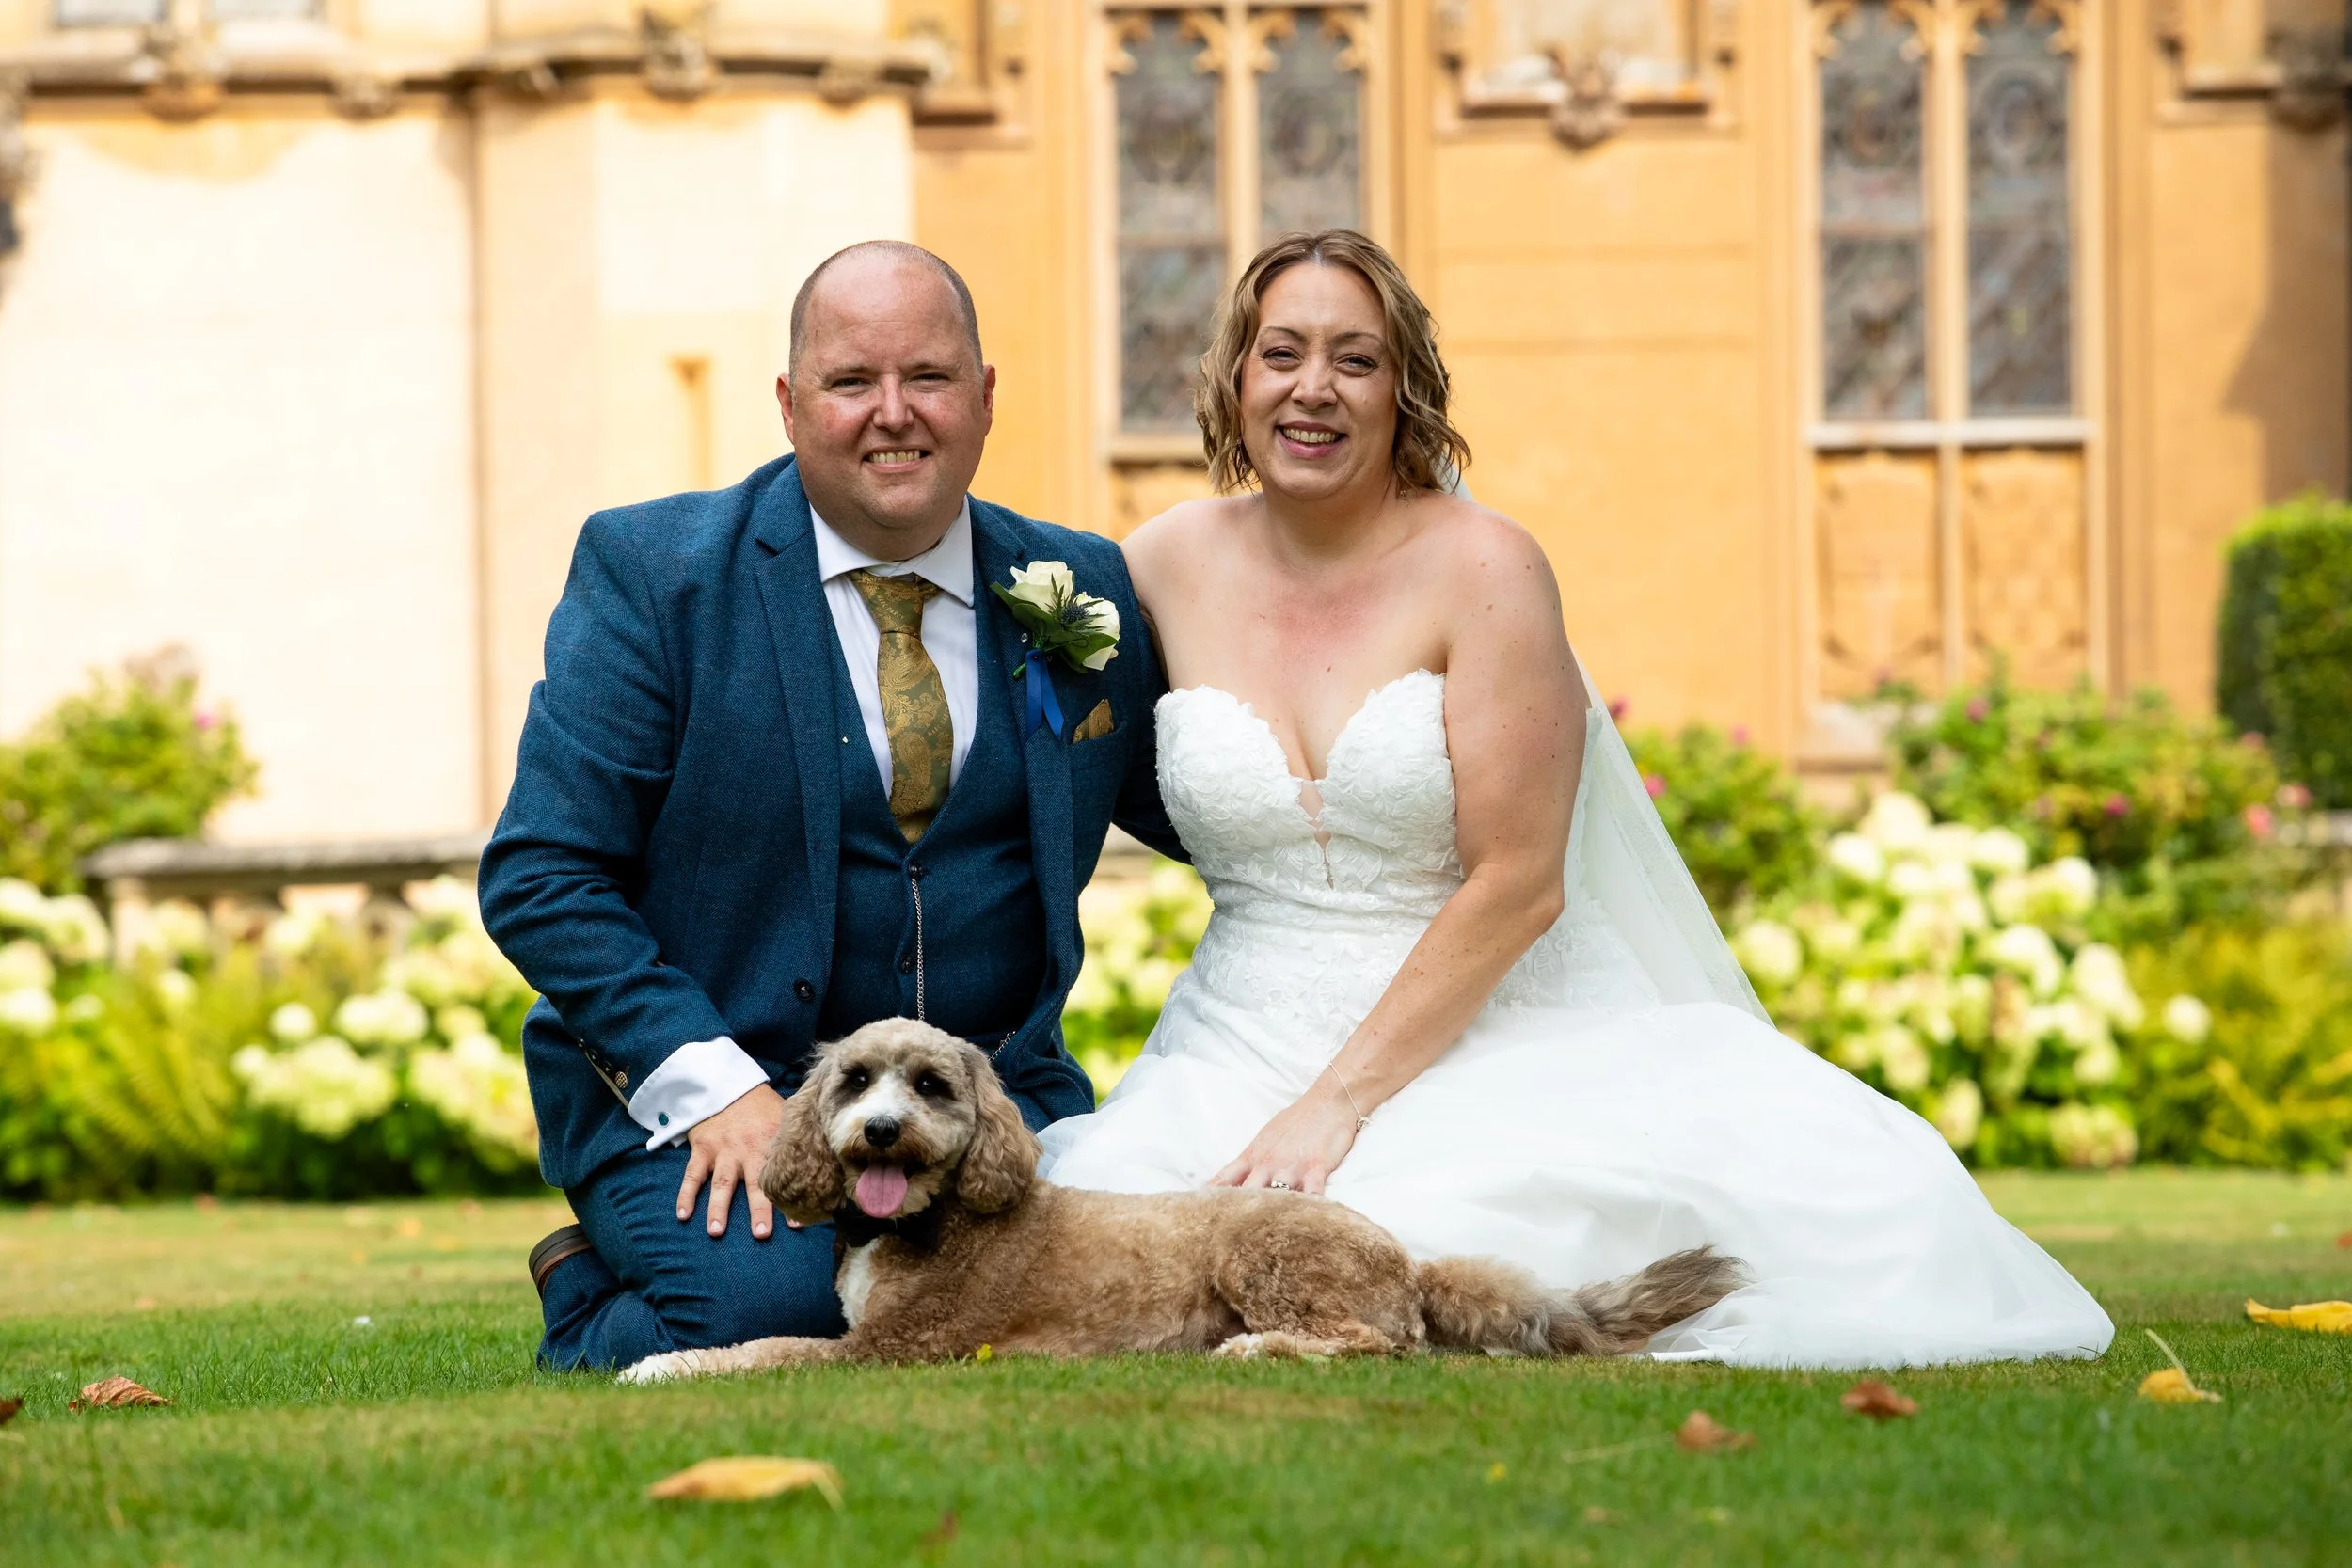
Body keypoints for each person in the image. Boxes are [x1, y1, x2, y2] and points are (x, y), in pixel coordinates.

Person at [1039, 230, 2114, 1368]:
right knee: (1102, 1255)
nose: (1314, 388)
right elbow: (1058, 757)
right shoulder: (1152, 565)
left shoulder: (1487, 568)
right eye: (1282, 352)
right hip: (1228, 1040)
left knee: (1460, 1232)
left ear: (1403, 388)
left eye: (1354, 359)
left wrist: (1333, 1106)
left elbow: (1518, 881)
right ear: (1234, 378)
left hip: (1481, 1027)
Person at [481, 241, 1184, 1370]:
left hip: (991, 1105)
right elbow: (541, 874)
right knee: (781, 1313)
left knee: (1106, 1299)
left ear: (986, 396)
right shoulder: (655, 574)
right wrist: (713, 1086)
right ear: (790, 403)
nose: (892, 414)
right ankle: (588, 1292)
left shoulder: (1075, 586)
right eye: (852, 382)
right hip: (733, 1092)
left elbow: (1191, 798)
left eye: (930, 378)